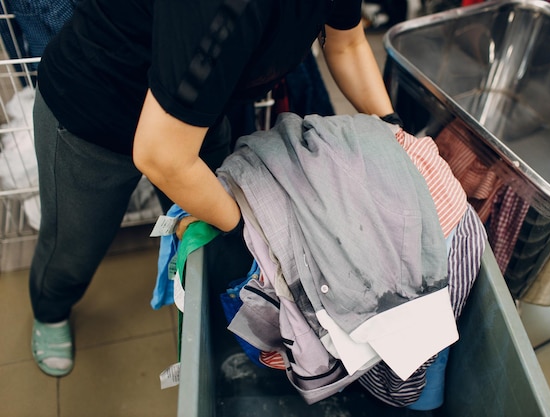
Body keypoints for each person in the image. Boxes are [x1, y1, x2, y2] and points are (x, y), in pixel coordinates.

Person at [29, 0, 398, 377]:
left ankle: (215, 322)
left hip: (196, 117)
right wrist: (252, 227)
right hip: (93, 111)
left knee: (216, 252)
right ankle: (50, 310)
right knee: (74, 245)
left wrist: (393, 130)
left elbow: (347, 45)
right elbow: (162, 157)